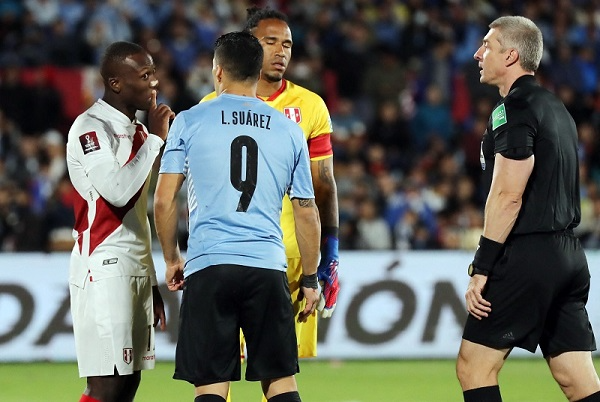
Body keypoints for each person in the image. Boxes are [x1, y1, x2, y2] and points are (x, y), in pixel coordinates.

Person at [153, 31, 321, 402]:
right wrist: (310, 276)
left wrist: (170, 260)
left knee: (211, 383)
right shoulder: (290, 131)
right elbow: (306, 210)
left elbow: (164, 201)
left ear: (217, 72)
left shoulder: (189, 120)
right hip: (266, 265)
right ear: (258, 71)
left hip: (209, 264)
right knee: (280, 381)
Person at [456, 16, 600, 402]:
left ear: (511, 55)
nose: (477, 53)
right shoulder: (558, 110)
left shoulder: (513, 109)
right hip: (568, 256)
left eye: (487, 45)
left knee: (474, 366)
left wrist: (482, 266)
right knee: (576, 377)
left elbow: (508, 196)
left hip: (528, 253)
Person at [200, 5, 340, 366]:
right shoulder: (210, 106)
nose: (282, 52)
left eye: (289, 44)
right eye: (271, 42)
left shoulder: (310, 106)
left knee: (279, 367)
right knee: (219, 364)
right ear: (249, 44)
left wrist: (331, 251)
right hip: (229, 251)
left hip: (292, 253)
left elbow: (323, 185)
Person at [66, 41, 173, 402]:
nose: (154, 83)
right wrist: (157, 140)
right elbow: (116, 191)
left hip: (134, 267)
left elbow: (137, 217)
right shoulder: (90, 127)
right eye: (144, 75)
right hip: (103, 266)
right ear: (115, 83)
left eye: (154, 73)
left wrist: (150, 279)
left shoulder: (139, 133)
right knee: (106, 385)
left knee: (128, 384)